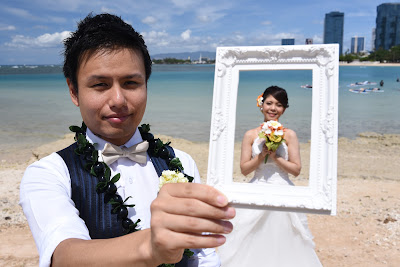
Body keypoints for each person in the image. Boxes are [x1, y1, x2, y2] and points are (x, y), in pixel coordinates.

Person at [19, 13, 235, 267]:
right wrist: (151, 246)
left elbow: (203, 257)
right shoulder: (49, 173)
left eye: (131, 82)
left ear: (146, 85)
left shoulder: (181, 163)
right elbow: (65, 255)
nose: (119, 100)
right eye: (100, 85)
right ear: (73, 91)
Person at [218, 86, 322, 266]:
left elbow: (296, 170)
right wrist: (261, 156)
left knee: (286, 239)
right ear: (261, 104)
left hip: (283, 190)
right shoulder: (250, 135)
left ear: (284, 109)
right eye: (269, 103)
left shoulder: (290, 135)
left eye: (279, 105)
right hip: (257, 188)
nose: (273, 108)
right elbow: (244, 169)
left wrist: (275, 157)